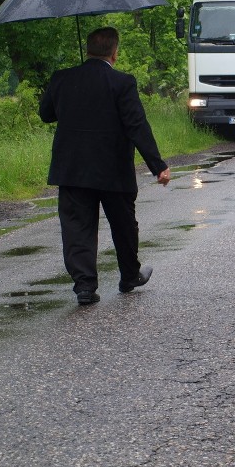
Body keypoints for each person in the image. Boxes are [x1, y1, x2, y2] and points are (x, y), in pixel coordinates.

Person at [39, 27, 171, 305]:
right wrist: (157, 165)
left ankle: (85, 287)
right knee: (123, 224)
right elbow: (136, 125)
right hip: (113, 169)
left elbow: (46, 114)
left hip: (72, 169)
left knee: (77, 228)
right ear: (114, 52)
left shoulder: (62, 78)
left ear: (87, 50)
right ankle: (129, 276)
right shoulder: (122, 82)